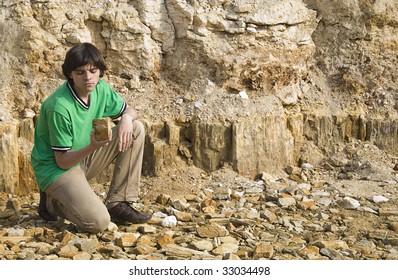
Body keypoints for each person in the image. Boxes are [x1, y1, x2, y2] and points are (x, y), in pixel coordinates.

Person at [31, 43, 152, 233]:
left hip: (83, 158)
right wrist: (93, 146)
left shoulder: (100, 88)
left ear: (99, 71)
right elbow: (62, 161)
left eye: (93, 71)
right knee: (99, 223)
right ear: (69, 74)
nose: (88, 77)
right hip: (57, 169)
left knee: (135, 129)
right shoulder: (59, 107)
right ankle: (52, 203)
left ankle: (118, 203)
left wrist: (127, 118)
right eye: (80, 72)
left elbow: (129, 110)